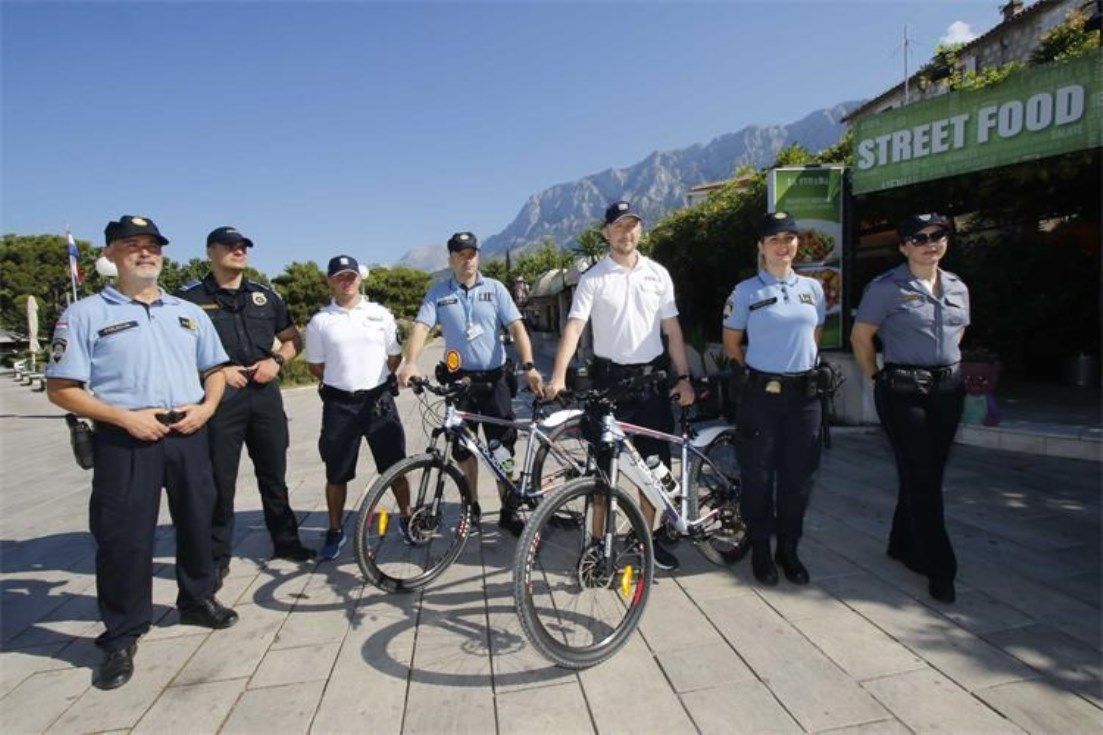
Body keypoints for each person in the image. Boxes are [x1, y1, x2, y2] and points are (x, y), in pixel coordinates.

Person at [45, 215, 238, 691]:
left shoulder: (186, 310)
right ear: (111, 254)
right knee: (124, 538)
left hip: (189, 430)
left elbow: (215, 368)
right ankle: (122, 633)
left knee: (198, 520)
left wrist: (208, 407)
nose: (145, 252)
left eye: (152, 245)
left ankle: (197, 600)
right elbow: (61, 388)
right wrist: (124, 417)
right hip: (127, 435)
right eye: (132, 245)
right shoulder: (85, 314)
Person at [545, 201, 695, 571]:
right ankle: (596, 547)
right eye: (618, 227)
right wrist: (558, 375)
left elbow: (672, 330)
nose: (626, 233)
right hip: (608, 384)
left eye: (632, 226)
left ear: (640, 231)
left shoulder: (658, 274)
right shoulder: (594, 278)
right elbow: (575, 327)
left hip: (650, 383)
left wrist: (684, 378)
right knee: (601, 472)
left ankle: (646, 539)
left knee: (652, 468)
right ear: (606, 233)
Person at [176, 226, 315, 584]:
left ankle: (286, 542)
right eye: (229, 246)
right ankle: (217, 558)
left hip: (264, 394)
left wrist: (277, 362)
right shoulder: (188, 301)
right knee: (220, 482)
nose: (238, 251)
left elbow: (291, 339)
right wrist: (219, 370)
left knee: (275, 475)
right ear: (210, 252)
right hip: (221, 399)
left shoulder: (265, 297)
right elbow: (177, 351)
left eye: (243, 247)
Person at [850, 213, 969, 603]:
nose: (929, 243)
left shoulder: (958, 286)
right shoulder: (886, 288)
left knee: (924, 471)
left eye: (937, 236)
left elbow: (958, 333)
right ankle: (941, 566)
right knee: (923, 474)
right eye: (918, 238)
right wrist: (875, 379)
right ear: (903, 247)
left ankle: (901, 542)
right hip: (903, 391)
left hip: (948, 391)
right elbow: (862, 337)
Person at [398, 232, 543, 537]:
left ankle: (508, 509)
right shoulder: (438, 292)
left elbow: (517, 328)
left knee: (502, 448)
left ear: (478, 256)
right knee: (463, 451)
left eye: (472, 254)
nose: (468, 260)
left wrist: (529, 366)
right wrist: (410, 362)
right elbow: (421, 327)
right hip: (459, 383)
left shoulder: (496, 289)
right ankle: (472, 505)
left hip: (494, 382)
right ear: (451, 259)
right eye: (461, 255)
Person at [722, 211, 825, 587]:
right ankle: (761, 547)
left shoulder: (813, 289)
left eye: (789, 238)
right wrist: (765, 373)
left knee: (799, 478)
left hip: (805, 399)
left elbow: (814, 336)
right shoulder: (746, 291)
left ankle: (789, 549)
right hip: (762, 397)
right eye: (774, 240)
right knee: (759, 475)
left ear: (797, 242)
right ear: (761, 248)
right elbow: (733, 345)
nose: (783, 246)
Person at [305, 255, 409, 560]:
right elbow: (316, 367)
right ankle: (335, 530)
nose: (346, 281)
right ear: (330, 281)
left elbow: (394, 357)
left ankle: (406, 517)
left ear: (359, 279)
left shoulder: (380, 314)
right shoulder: (320, 321)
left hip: (379, 402)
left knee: (397, 467)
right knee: (336, 473)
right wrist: (345, 382)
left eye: (351, 276)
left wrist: (372, 381)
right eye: (339, 277)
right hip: (340, 406)